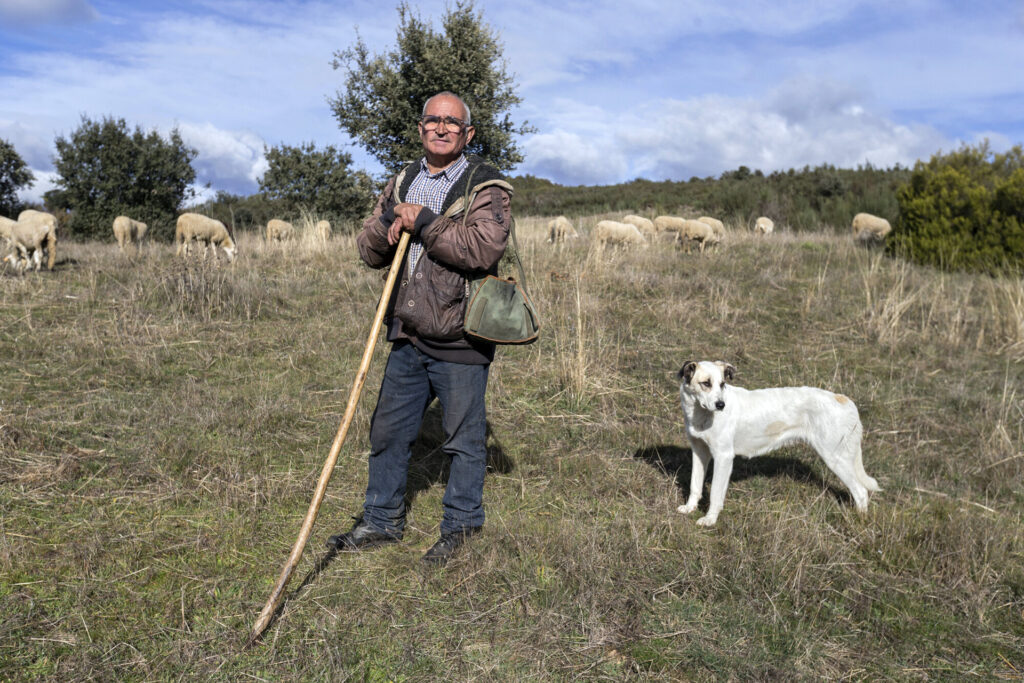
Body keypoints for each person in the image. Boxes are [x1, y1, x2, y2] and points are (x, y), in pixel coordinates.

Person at [326, 91, 514, 566]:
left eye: (453, 122)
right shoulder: (404, 179)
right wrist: (390, 218)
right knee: (388, 430)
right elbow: (368, 252)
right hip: (408, 332)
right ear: (421, 128)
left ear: (467, 133)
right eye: (433, 119)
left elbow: (480, 251)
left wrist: (424, 220)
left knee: (462, 439)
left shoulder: (485, 185)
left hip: (460, 334)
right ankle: (382, 520)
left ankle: (461, 525)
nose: (442, 127)